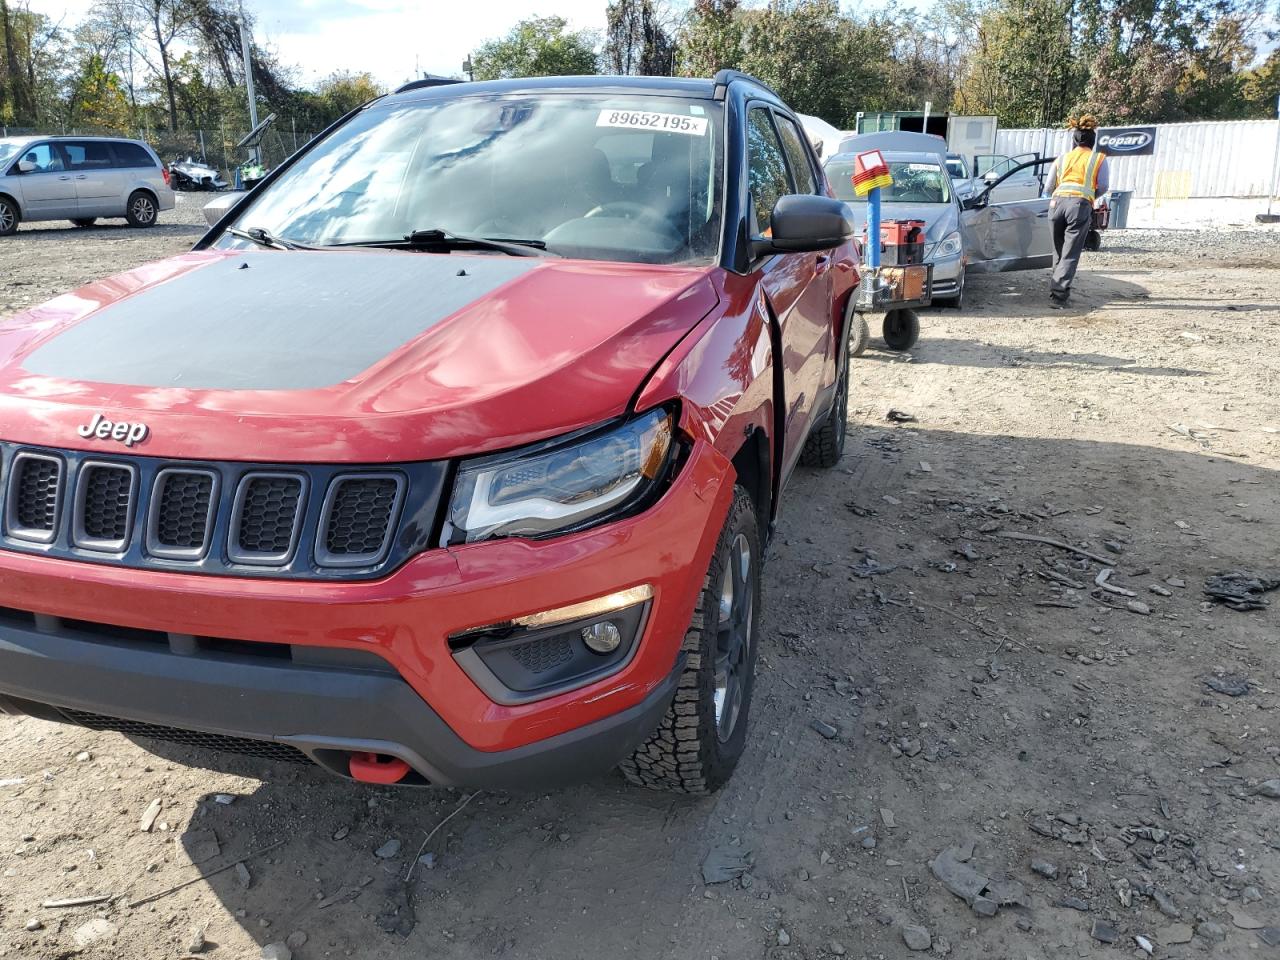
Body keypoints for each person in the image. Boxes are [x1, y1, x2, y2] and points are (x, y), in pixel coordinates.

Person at [1043, 115, 1109, 306]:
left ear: (1074, 140)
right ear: (1093, 141)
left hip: (1056, 205)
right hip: (1079, 206)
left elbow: (1048, 188)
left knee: (1058, 251)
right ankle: (1058, 295)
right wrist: (1088, 196)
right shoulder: (1098, 159)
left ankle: (1056, 288)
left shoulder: (1062, 159)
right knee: (1070, 252)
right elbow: (1103, 186)